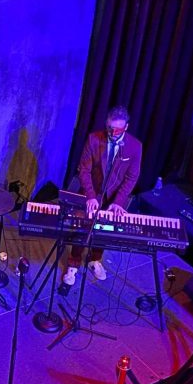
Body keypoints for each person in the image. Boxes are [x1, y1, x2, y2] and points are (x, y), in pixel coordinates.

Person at [63, 106, 142, 284]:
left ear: (126, 127)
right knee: (82, 227)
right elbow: (84, 169)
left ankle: (95, 259)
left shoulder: (135, 146)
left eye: (118, 130)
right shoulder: (94, 139)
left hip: (114, 198)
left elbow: (131, 177)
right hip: (92, 191)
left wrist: (119, 201)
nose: (112, 133)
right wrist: (90, 196)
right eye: (109, 128)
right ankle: (74, 262)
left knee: (105, 230)